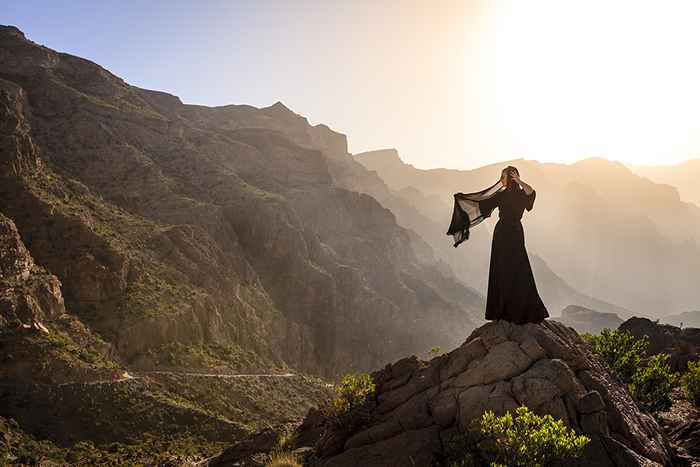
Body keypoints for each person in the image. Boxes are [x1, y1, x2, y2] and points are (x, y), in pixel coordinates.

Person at [447, 166, 548, 324]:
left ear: (512, 177)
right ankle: (503, 311)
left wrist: (519, 180)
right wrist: (463, 199)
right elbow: (481, 202)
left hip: (515, 233)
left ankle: (523, 310)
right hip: (501, 234)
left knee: (519, 267)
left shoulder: (522, 194)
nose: (501, 180)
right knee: (501, 269)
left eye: (504, 176)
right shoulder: (501, 195)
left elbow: (531, 192)